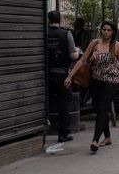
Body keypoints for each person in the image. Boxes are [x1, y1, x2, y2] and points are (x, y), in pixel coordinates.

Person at [64, 20, 119, 153]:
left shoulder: (117, 46)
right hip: (96, 80)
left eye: (109, 30)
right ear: (101, 30)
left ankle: (95, 140)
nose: (106, 32)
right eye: (104, 29)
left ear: (113, 32)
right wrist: (70, 76)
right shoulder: (94, 43)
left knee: (102, 108)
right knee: (100, 109)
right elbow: (81, 61)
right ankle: (107, 137)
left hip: (111, 80)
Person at [47, 10, 78, 143]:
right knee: (63, 103)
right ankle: (63, 134)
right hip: (61, 75)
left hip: (46, 75)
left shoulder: (44, 33)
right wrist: (78, 53)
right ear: (60, 20)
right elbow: (73, 55)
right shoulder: (66, 34)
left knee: (47, 103)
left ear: (49, 20)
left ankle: (44, 130)